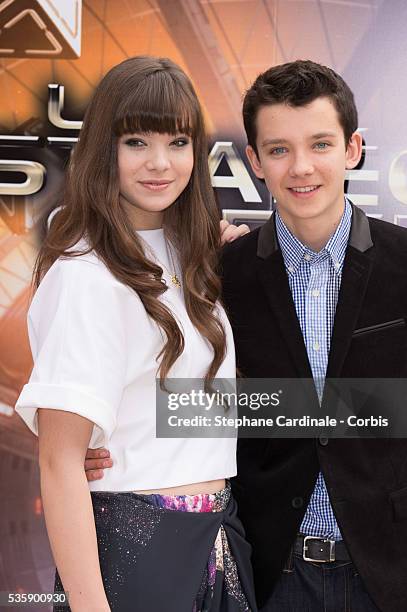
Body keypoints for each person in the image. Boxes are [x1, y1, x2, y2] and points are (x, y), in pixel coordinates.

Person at [87, 59, 407, 612]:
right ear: (254, 161)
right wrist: (115, 439)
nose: (301, 168)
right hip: (267, 571)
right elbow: (209, 404)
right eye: (279, 149)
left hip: (389, 569)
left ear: (353, 149)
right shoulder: (216, 274)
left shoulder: (405, 263)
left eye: (321, 144)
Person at [15, 56, 256, 612]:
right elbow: (59, 464)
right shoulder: (85, 275)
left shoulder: (192, 256)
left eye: (177, 142)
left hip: (218, 539)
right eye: (136, 142)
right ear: (105, 148)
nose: (159, 163)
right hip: (133, 548)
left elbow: (186, 404)